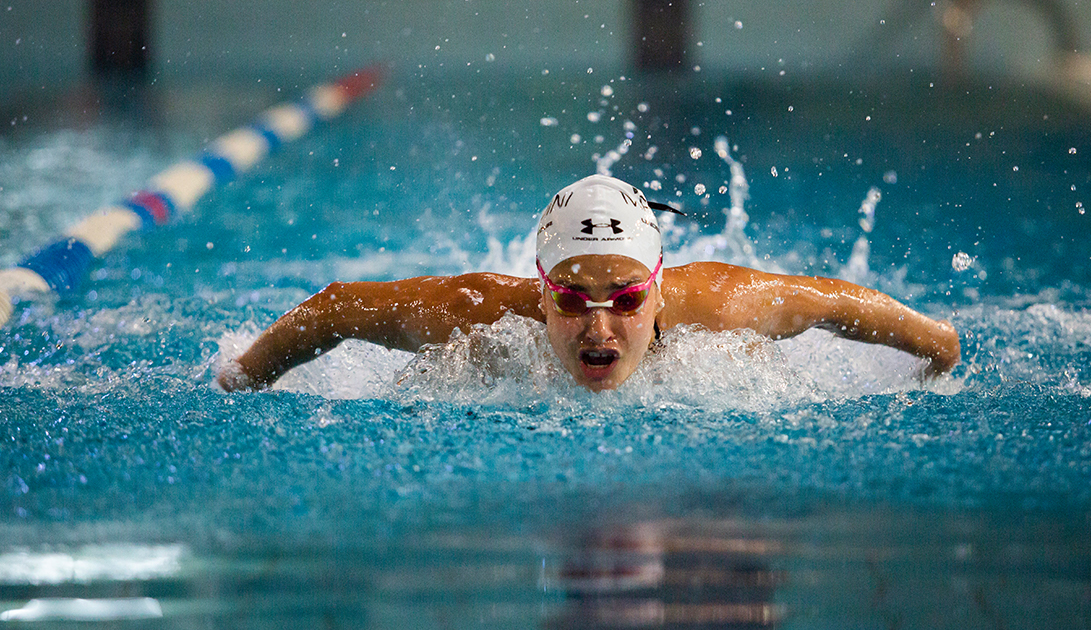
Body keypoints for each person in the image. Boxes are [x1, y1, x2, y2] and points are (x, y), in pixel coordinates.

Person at [217, 175, 960, 393]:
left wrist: (938, 350)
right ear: (539, 291)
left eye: (628, 300)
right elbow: (336, 309)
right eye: (571, 300)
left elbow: (834, 301)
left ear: (660, 291)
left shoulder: (722, 306)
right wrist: (242, 377)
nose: (599, 328)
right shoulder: (476, 315)